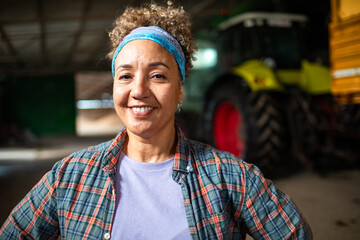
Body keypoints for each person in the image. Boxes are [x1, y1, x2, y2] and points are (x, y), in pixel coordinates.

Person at [0, 2, 312, 239]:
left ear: (180, 91)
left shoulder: (233, 179)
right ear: (114, 87)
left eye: (158, 75)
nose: (138, 90)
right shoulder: (69, 177)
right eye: (125, 76)